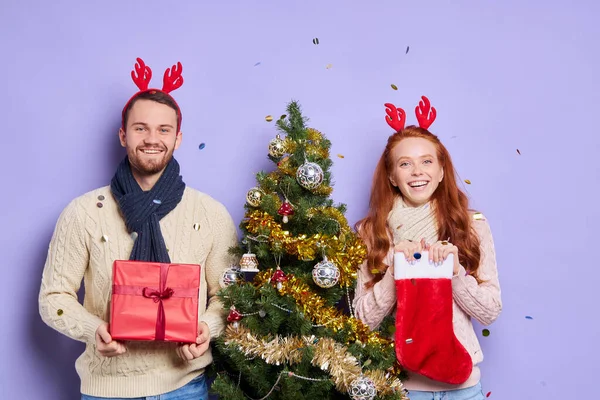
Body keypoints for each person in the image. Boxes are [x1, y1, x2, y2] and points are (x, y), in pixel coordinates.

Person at [38, 58, 238, 400]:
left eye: (163, 130)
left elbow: (229, 296)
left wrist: (207, 327)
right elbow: (53, 298)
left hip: (184, 386)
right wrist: (93, 329)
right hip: (108, 390)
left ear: (177, 139)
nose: (151, 139)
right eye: (140, 128)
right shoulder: (84, 212)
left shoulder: (210, 213)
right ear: (123, 135)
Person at [353, 96, 502, 400]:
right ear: (392, 176)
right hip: (401, 388)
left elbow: (490, 311)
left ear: (442, 170)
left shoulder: (471, 226)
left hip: (464, 388)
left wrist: (456, 272)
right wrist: (396, 272)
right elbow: (361, 320)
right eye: (405, 164)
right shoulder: (371, 232)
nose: (417, 171)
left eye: (426, 161)